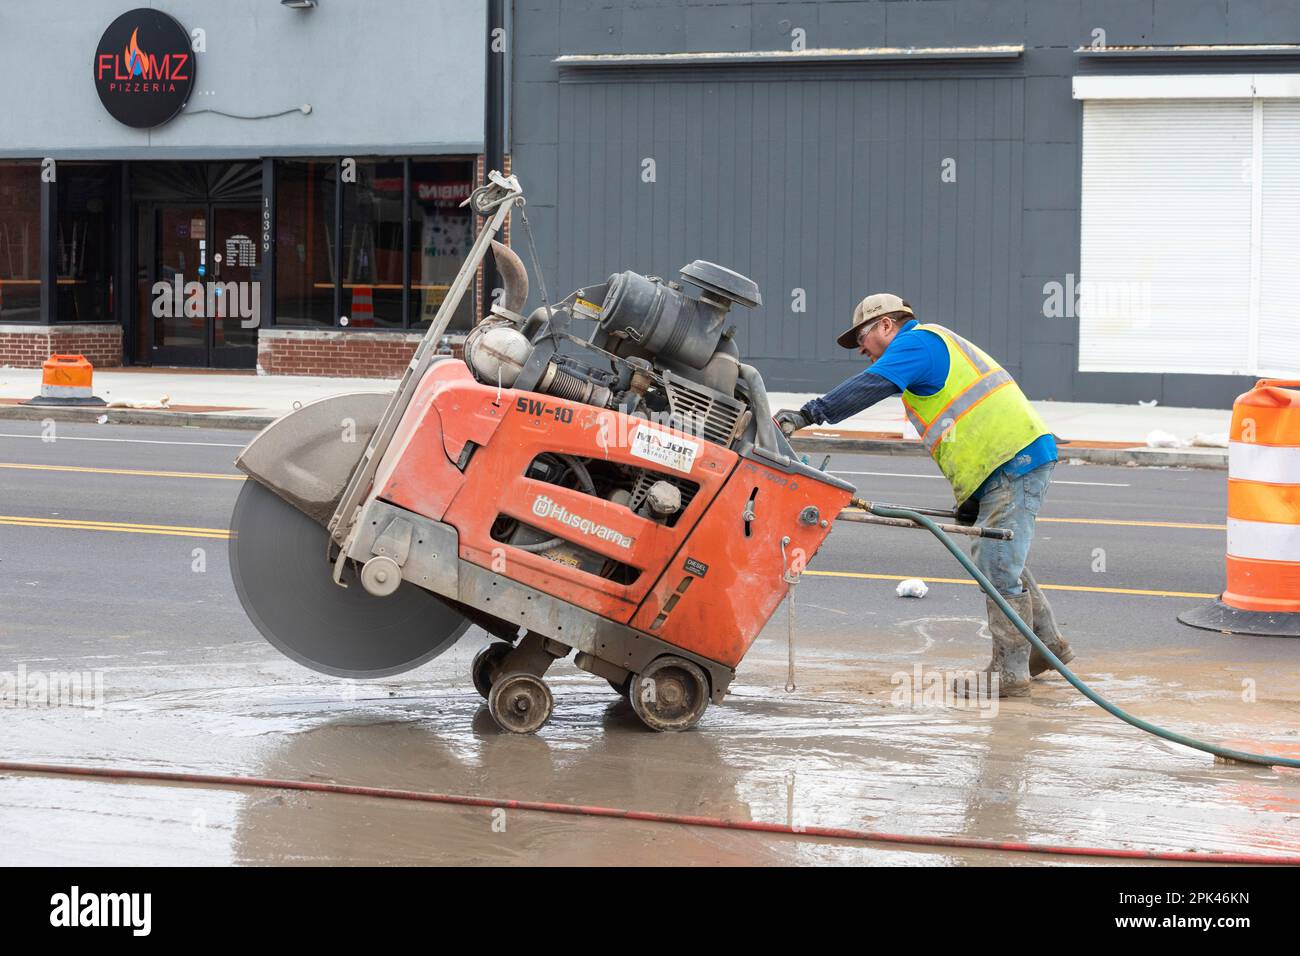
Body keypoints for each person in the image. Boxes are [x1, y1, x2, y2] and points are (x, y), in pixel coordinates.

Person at [774, 294, 1075, 698]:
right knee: (1002, 557)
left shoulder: (916, 343)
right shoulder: (930, 347)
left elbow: (874, 384)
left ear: (886, 325)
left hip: (1013, 458)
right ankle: (1048, 646)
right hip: (1004, 462)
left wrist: (809, 413)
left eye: (862, 337)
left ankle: (1010, 670)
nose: (862, 349)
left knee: (997, 564)